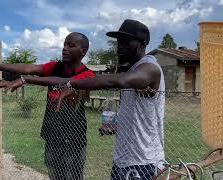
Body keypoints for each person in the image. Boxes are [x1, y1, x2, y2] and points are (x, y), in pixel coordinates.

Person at [0, 32, 95, 180]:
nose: (64, 48)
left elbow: (63, 81)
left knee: (72, 177)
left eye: (71, 45)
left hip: (73, 140)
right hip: (52, 136)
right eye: (64, 44)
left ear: (83, 51)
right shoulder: (55, 66)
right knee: (54, 174)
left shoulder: (88, 75)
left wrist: (26, 80)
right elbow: (28, 68)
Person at [57, 19, 165, 180]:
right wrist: (116, 126)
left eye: (126, 42)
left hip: (144, 162)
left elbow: (120, 80)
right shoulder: (133, 69)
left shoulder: (150, 68)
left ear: (143, 43)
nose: (119, 47)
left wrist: (73, 83)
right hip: (122, 160)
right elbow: (136, 112)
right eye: (118, 42)